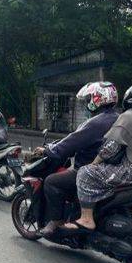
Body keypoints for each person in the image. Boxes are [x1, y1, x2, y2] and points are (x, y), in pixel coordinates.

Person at [64, 82, 132, 233]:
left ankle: (87, 219)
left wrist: (94, 163)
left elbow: (111, 148)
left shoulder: (129, 116)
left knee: (85, 173)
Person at [33, 81, 119, 236]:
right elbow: (74, 138)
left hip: (89, 169)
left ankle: (57, 221)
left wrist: (48, 150)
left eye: (89, 99)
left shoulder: (96, 122)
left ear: (97, 99)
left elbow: (71, 142)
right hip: (112, 170)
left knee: (51, 182)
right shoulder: (118, 118)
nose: (87, 103)